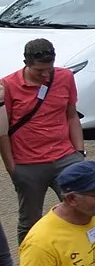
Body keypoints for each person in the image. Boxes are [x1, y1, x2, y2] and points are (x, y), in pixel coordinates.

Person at [3, 38, 86, 247]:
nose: (45, 76)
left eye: (49, 70)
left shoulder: (65, 77)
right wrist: (13, 169)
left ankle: (85, 257)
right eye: (39, 71)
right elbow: (3, 133)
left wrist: (79, 153)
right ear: (26, 63)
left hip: (65, 157)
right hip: (28, 164)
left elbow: (71, 116)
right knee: (30, 222)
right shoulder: (8, 86)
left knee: (83, 207)